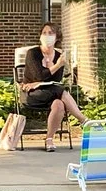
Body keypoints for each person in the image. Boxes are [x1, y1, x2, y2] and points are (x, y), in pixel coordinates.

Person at [18, 24, 84, 152]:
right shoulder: (33, 53)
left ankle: (49, 140)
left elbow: (55, 80)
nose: (46, 36)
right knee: (60, 91)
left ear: (57, 37)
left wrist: (50, 69)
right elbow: (39, 75)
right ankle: (83, 119)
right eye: (44, 33)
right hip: (31, 94)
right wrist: (56, 66)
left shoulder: (59, 55)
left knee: (59, 104)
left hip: (50, 93)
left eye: (50, 33)